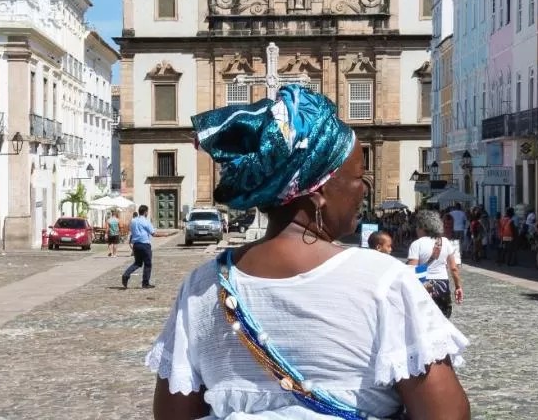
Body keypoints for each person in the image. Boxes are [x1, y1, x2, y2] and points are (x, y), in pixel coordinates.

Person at [148, 84, 469, 419]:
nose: (364, 190)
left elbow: (173, 413)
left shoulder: (202, 288)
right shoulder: (383, 284)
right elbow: (447, 414)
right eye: (358, 177)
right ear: (318, 195)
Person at [408, 210, 465, 318]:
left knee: (423, 319)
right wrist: (458, 287)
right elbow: (453, 268)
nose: (416, 229)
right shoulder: (445, 242)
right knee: (443, 319)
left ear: (422, 227)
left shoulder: (416, 244)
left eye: (417, 226)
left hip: (423, 285)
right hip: (442, 285)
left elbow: (412, 269)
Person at [122, 205, 156, 289]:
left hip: (136, 245)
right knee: (148, 264)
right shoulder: (145, 221)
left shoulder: (133, 221)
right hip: (144, 244)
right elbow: (153, 233)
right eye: (147, 212)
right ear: (145, 212)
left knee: (137, 263)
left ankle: (126, 274)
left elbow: (131, 230)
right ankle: (145, 283)